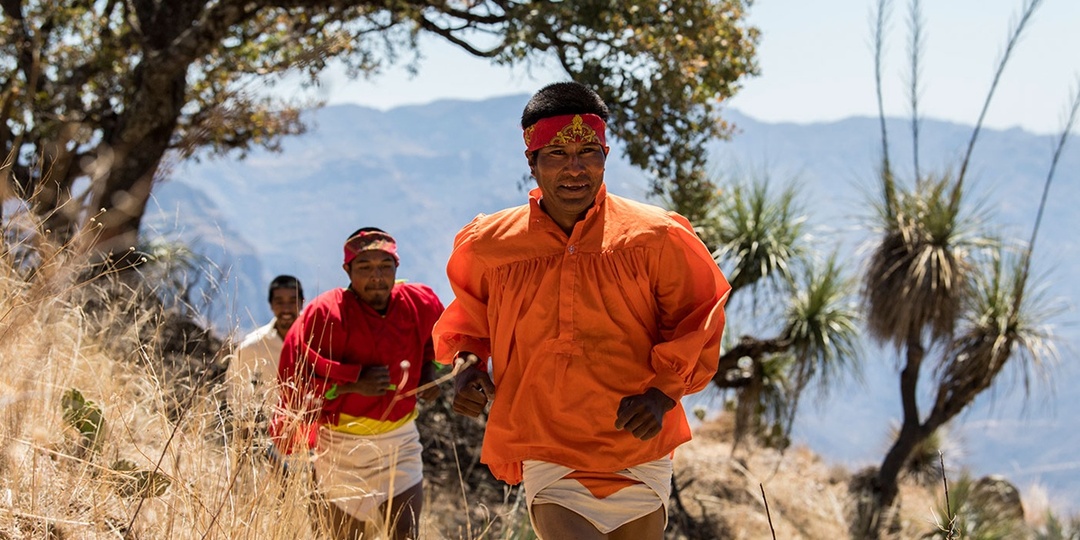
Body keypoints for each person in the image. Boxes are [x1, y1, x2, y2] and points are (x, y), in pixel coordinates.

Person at [431, 81, 731, 540]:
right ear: (531, 162)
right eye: (556, 155)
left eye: (589, 152)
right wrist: (469, 366)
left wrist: (664, 391)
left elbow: (700, 315)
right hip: (549, 446)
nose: (575, 169)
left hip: (638, 447)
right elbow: (472, 323)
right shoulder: (491, 244)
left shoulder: (656, 237)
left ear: (606, 155)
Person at [274, 227, 444, 540]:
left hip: (401, 441)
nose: (376, 277)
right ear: (347, 270)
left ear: (397, 268)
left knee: (405, 534)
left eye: (385, 267)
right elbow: (297, 378)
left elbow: (436, 345)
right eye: (365, 268)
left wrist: (429, 375)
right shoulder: (325, 313)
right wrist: (353, 383)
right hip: (342, 449)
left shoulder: (419, 303)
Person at [227, 274, 304, 459]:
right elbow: (234, 390)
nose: (286, 308)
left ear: (302, 302)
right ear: (271, 304)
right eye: (279, 301)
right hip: (266, 440)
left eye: (292, 301)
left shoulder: (320, 338)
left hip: (312, 437)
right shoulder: (252, 346)